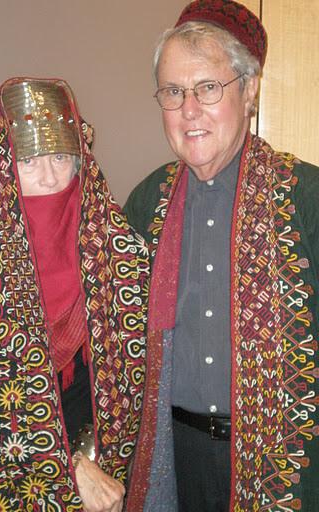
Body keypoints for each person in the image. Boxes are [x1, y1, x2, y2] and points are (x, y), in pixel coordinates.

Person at [124, 1, 319, 511]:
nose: (189, 110)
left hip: (286, 463)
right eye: (172, 92)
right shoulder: (146, 205)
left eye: (208, 87)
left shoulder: (307, 200)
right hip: (172, 455)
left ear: (249, 89)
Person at [0, 77, 149, 511]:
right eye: (29, 162)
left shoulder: (116, 252)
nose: (51, 178)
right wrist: (69, 469)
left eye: (60, 157)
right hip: (3, 483)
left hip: (106, 480)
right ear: (0, 169)